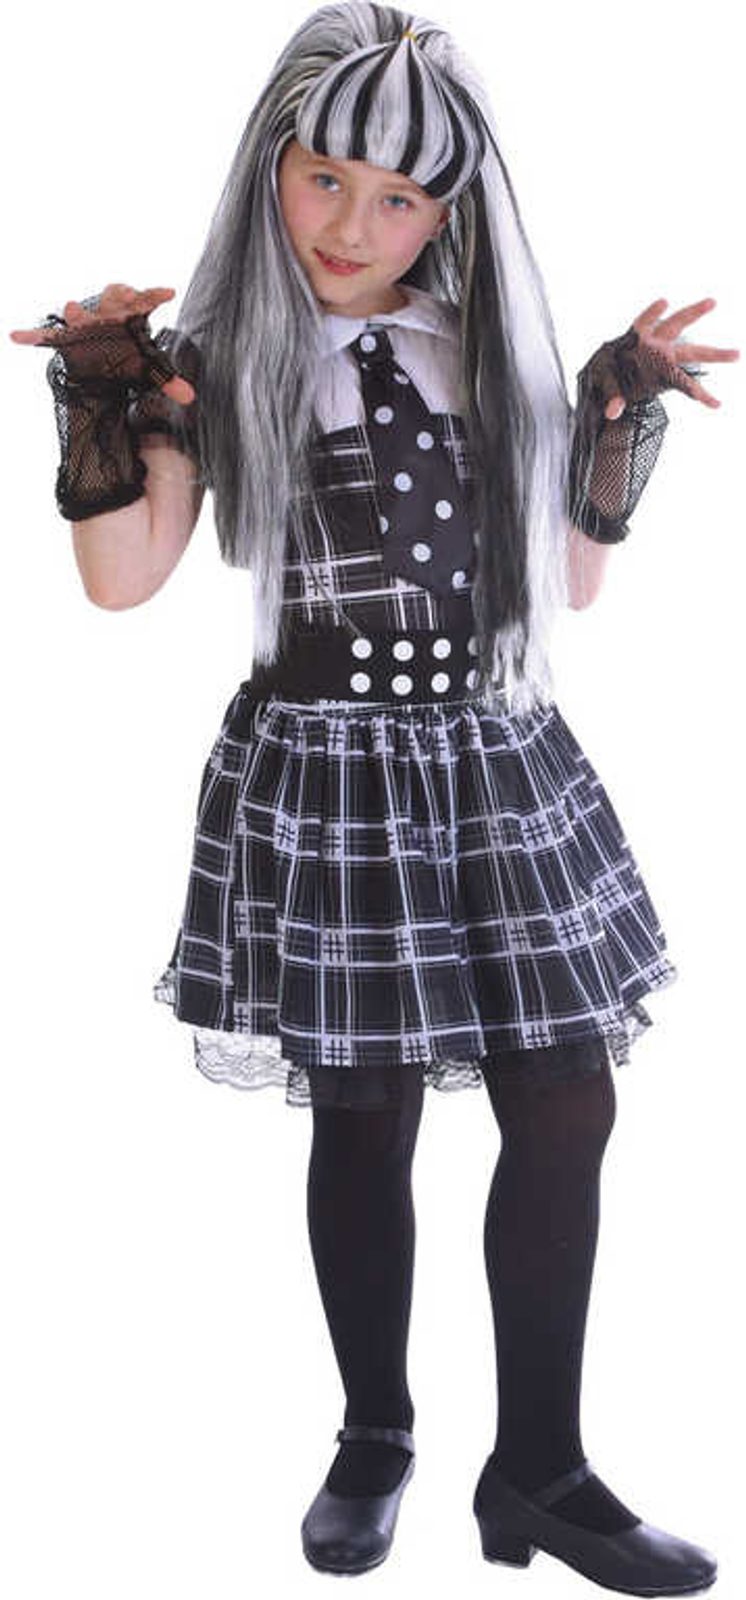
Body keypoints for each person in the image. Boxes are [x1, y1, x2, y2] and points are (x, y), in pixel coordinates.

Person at [10, 3, 738, 1589]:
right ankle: (375, 1433)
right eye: (324, 176)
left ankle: (539, 1471)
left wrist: (609, 411)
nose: (353, 225)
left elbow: (567, 585)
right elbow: (123, 582)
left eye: (400, 196)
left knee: (567, 1096)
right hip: (328, 764)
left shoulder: (482, 346)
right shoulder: (212, 367)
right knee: (362, 1108)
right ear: (269, 163)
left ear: (451, 207)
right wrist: (99, 394)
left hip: (491, 755)